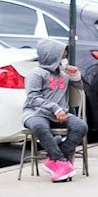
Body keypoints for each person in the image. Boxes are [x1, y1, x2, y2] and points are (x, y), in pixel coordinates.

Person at [22, 39, 84, 182]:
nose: (65, 55)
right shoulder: (36, 74)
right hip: (35, 112)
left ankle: (54, 159)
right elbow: (32, 98)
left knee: (80, 127)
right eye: (62, 52)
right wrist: (55, 108)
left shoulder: (64, 72)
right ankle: (61, 162)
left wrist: (75, 76)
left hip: (61, 114)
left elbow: (79, 88)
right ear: (51, 54)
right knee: (39, 126)